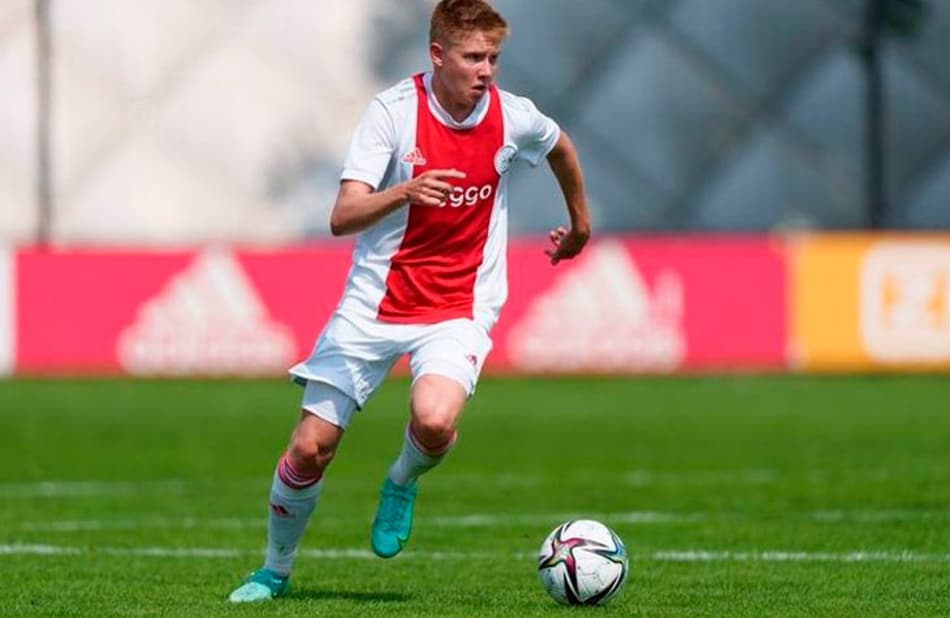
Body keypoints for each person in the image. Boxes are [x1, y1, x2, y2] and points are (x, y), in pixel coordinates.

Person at [228, 0, 591, 603]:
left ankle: (401, 481)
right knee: (310, 448)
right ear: (437, 55)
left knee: (434, 419)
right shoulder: (392, 113)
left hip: (458, 307)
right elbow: (342, 215)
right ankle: (273, 570)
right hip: (372, 305)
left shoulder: (512, 116)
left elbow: (561, 148)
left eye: (493, 58)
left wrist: (579, 225)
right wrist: (406, 191)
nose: (486, 70)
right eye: (473, 58)